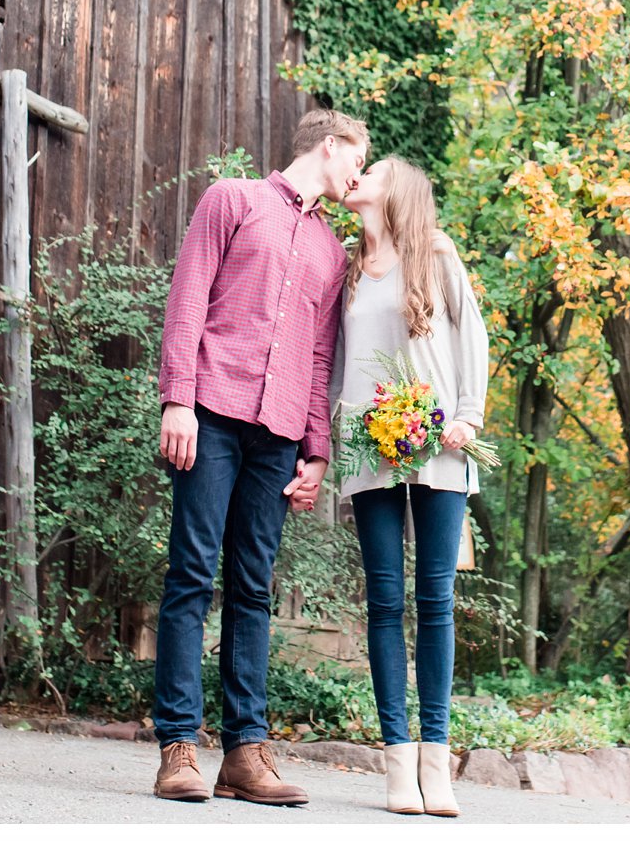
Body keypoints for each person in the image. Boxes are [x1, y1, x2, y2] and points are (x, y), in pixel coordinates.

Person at [149, 108, 368, 805]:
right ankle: (178, 746)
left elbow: (316, 354)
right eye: (356, 157)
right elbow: (187, 300)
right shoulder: (232, 199)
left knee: (252, 586)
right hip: (210, 410)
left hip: (276, 435)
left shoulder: (332, 253)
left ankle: (245, 752)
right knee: (191, 574)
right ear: (330, 148)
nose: (358, 173)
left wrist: (316, 449)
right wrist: (176, 399)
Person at [331, 155, 489, 817]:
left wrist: (466, 416)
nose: (357, 174)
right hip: (369, 444)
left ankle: (436, 761)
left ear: (398, 191)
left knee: (435, 599)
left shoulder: (437, 259)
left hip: (439, 444)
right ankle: (396, 763)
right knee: (383, 600)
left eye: (372, 169)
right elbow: (337, 361)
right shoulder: (343, 268)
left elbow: (472, 340)